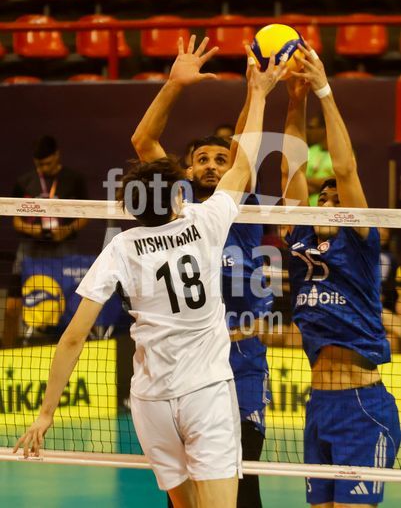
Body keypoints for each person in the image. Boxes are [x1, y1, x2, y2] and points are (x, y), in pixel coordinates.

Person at [14, 38, 287, 508]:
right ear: (181, 189)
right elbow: (246, 159)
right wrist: (259, 92)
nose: (210, 167)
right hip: (206, 390)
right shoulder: (206, 221)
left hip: (152, 399)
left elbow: (73, 337)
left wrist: (45, 413)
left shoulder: (122, 246)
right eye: (200, 161)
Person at [131, 36, 274, 508]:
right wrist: (174, 84)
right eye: (202, 160)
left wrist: (255, 91)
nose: (213, 166)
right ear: (186, 172)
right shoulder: (179, 208)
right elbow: (142, 142)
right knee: (184, 492)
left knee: (243, 484)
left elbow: (245, 146)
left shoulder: (239, 208)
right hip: (184, 365)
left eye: (220, 160)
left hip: (241, 361)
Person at [281, 43, 401, 507]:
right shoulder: (299, 242)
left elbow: (345, 167)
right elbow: (291, 165)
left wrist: (324, 91)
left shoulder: (360, 243)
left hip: (362, 407)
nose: (330, 202)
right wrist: (295, 100)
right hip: (319, 409)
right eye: (323, 197)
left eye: (338, 198)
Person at [3, 136, 88, 348]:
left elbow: (86, 215)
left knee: (68, 309)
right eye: (39, 165)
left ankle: (68, 350)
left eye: (47, 163)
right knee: (11, 306)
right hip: (30, 251)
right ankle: (5, 354)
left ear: (57, 155)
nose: (43, 168)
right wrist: (35, 230)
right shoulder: (24, 182)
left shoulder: (74, 180)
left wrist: (67, 230)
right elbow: (16, 220)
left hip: (63, 250)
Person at [305, 111, 333, 206]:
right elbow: (296, 182)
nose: (307, 131)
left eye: (312, 127)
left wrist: (308, 182)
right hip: (308, 209)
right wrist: (326, 184)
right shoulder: (310, 151)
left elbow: (340, 182)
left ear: (324, 129)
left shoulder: (341, 152)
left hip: (330, 210)